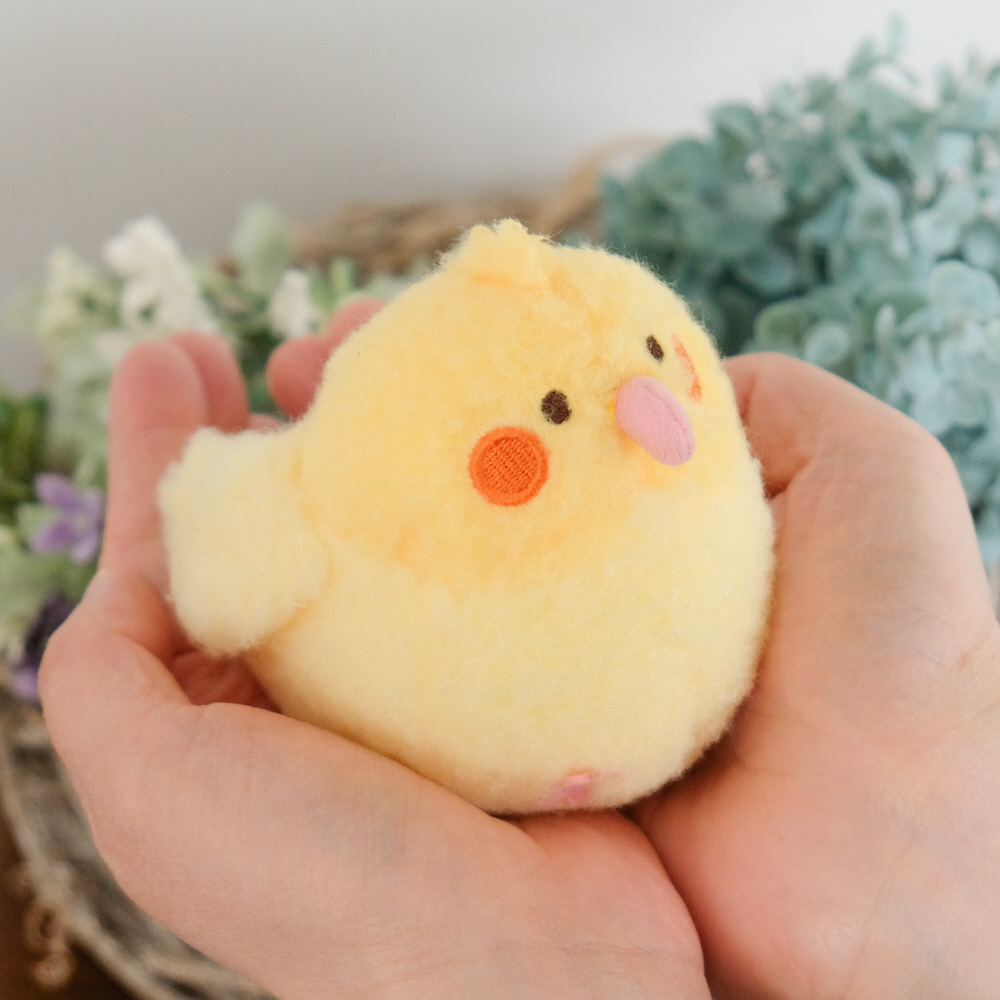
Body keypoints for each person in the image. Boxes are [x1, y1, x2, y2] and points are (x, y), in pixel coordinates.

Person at [39, 298, 1000, 999]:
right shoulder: (317, 527)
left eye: (656, 355)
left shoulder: (680, 491)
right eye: (554, 409)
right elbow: (238, 565)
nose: (650, 411)